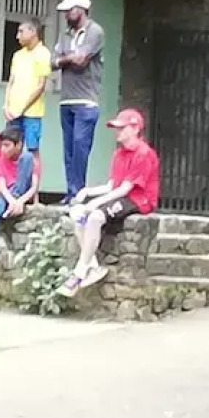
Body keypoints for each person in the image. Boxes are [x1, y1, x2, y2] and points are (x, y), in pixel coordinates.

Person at [59, 108, 161, 297]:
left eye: (122, 128)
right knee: (77, 213)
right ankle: (93, 266)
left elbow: (125, 190)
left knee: (96, 216)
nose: (117, 131)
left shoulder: (144, 154)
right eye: (116, 128)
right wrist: (87, 192)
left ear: (135, 128)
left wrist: (94, 203)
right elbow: (112, 185)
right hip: (122, 195)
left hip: (140, 199)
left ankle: (80, 271)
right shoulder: (118, 155)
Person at [53, 0, 105, 201]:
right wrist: (68, 59)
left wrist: (64, 59)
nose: (66, 15)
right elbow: (52, 62)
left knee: (80, 147)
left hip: (86, 101)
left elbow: (81, 60)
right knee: (69, 150)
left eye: (69, 11)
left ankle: (78, 192)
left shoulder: (95, 32)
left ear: (80, 10)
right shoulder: (65, 35)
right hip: (66, 99)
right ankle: (70, 192)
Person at [0, 125, 40, 271]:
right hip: (5, 195)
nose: (3, 149)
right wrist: (12, 201)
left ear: (18, 145)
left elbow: (33, 187)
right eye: (2, 145)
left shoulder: (29, 160)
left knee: (27, 157)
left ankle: (13, 204)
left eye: (7, 146)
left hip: (22, 194)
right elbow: (1, 186)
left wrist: (20, 201)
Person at [4, 17, 52, 168]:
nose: (17, 36)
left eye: (21, 31)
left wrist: (22, 109)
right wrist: (6, 105)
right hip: (13, 112)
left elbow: (40, 86)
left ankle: (34, 190)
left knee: (32, 150)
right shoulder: (18, 55)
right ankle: (13, 185)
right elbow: (11, 81)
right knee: (10, 149)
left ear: (32, 32)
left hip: (31, 113)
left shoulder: (43, 53)